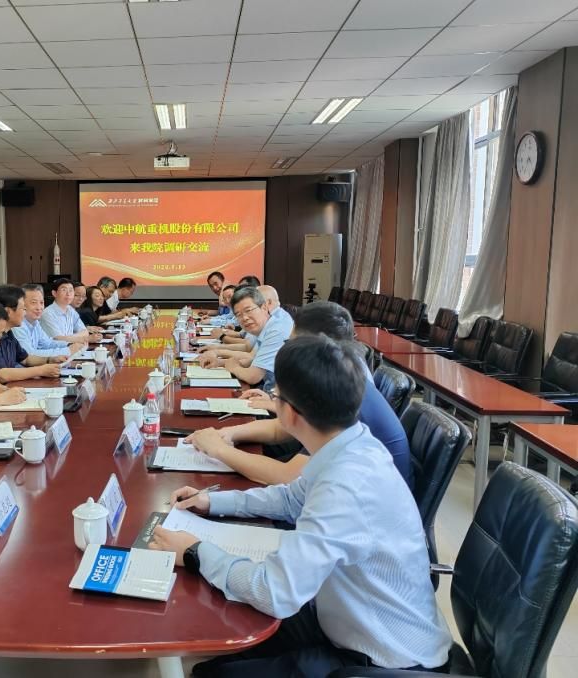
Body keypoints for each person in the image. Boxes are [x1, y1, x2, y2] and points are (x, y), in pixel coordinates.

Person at [150, 335, 452, 677]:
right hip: (341, 611)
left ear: (290, 413)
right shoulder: (352, 443)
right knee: (220, 655)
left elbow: (275, 592)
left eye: (275, 396)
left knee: (212, 672)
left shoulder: (346, 484)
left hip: (381, 656)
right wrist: (212, 502)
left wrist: (195, 552)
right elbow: (291, 498)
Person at [188, 301, 413, 488]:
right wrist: (228, 433)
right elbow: (283, 429)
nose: (288, 350)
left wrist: (219, 450)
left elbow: (288, 477)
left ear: (318, 344)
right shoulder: (339, 368)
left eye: (292, 342)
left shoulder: (340, 388)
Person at [199, 286, 293, 388]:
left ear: (264, 307)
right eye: (238, 314)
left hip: (276, 394)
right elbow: (253, 358)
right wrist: (220, 362)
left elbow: (253, 376)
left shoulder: (277, 328)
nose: (244, 318)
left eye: (248, 310)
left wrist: (234, 367)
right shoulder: (269, 323)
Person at [0, 286, 64, 384]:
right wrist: (41, 370)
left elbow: (26, 359)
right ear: (8, 312)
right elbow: (2, 375)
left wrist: (49, 360)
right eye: (23, 309)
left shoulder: (9, 333)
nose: (25, 313)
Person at [13, 284, 85, 359]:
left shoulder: (35, 323)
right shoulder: (18, 326)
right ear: (21, 304)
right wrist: (67, 350)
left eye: (41, 303)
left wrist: (69, 345)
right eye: (34, 302)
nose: (39, 307)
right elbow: (29, 354)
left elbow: (48, 343)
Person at [40, 278, 99, 343]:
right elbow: (58, 339)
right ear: (54, 293)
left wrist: (68, 338)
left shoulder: (71, 310)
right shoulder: (47, 314)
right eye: (64, 290)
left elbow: (85, 332)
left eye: (71, 290)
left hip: (73, 348)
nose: (68, 294)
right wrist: (84, 339)